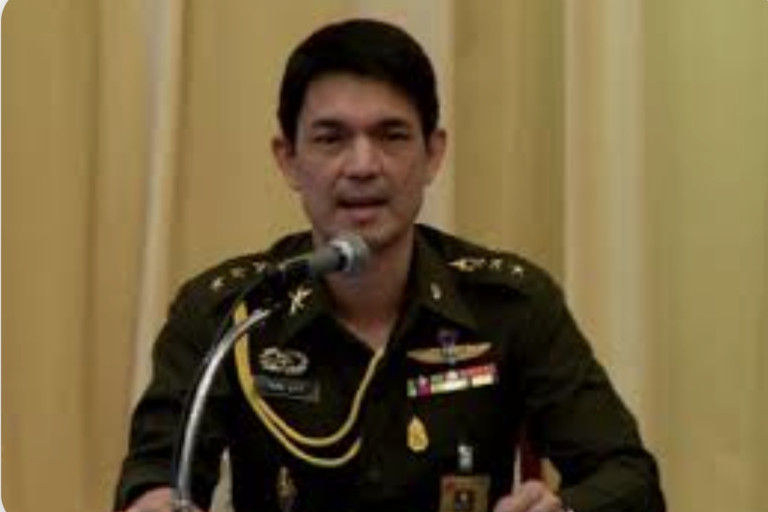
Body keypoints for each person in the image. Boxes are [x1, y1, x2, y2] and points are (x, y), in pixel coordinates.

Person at [113, 18, 665, 512]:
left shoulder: (509, 304)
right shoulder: (231, 312)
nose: (362, 166)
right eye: (331, 139)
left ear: (433, 153)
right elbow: (155, 473)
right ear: (289, 160)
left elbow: (630, 479)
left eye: (391, 136)